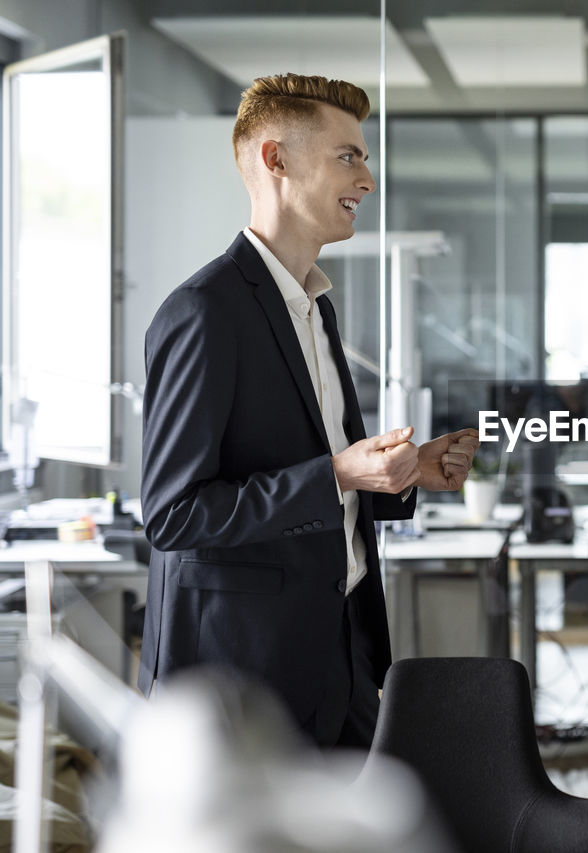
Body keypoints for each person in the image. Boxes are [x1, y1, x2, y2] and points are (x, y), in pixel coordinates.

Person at [139, 74, 479, 749]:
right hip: (243, 683)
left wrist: (402, 472)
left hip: (340, 654)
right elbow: (173, 514)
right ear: (277, 160)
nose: (369, 180)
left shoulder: (315, 306)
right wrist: (341, 474)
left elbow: (315, 484)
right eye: (348, 157)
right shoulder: (206, 312)